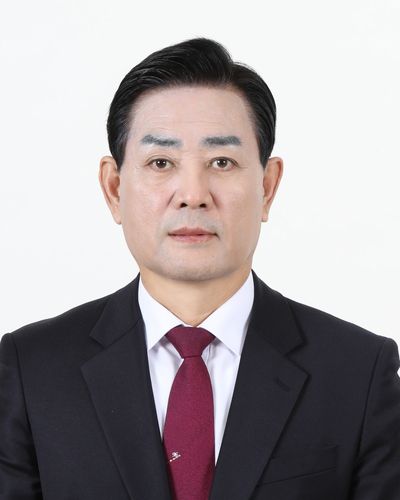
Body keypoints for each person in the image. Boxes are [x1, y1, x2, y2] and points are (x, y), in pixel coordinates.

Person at [0, 37, 399, 500]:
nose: (193, 194)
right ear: (114, 189)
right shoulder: (31, 370)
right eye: (161, 162)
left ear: (267, 187)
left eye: (222, 162)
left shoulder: (358, 373)